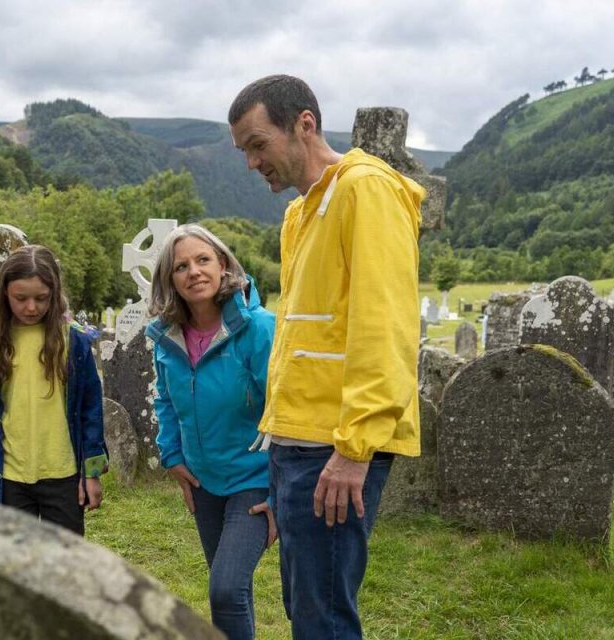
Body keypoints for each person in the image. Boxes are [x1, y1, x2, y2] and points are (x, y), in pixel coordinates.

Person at [229, 75, 423, 639]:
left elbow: (382, 324)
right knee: (306, 606)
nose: (251, 162)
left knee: (325, 618)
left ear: (304, 124)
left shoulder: (365, 190)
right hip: (297, 440)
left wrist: (355, 447)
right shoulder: (303, 212)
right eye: (244, 151)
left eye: (258, 144)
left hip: (335, 445)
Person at [146, 224, 276, 640]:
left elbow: (285, 408)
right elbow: (166, 400)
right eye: (180, 266)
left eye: (203, 260)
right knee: (231, 590)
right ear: (170, 281)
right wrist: (173, 457)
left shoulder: (257, 329)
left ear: (223, 265)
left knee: (224, 590)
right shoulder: (166, 337)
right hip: (204, 480)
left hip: (254, 478)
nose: (194, 272)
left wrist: (281, 488)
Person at [0, 245, 108, 535]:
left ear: (55, 293)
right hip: (9, 476)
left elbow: (91, 408)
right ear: (4, 294)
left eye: (41, 298)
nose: (31, 307)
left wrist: (91, 473)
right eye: (21, 298)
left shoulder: (74, 341)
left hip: (63, 474)